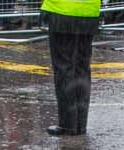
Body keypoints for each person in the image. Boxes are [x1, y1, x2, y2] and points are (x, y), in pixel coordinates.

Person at [41, 0, 97, 136]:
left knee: (64, 67)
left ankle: (68, 125)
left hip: (62, 11)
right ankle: (80, 125)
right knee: (82, 68)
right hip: (89, 11)